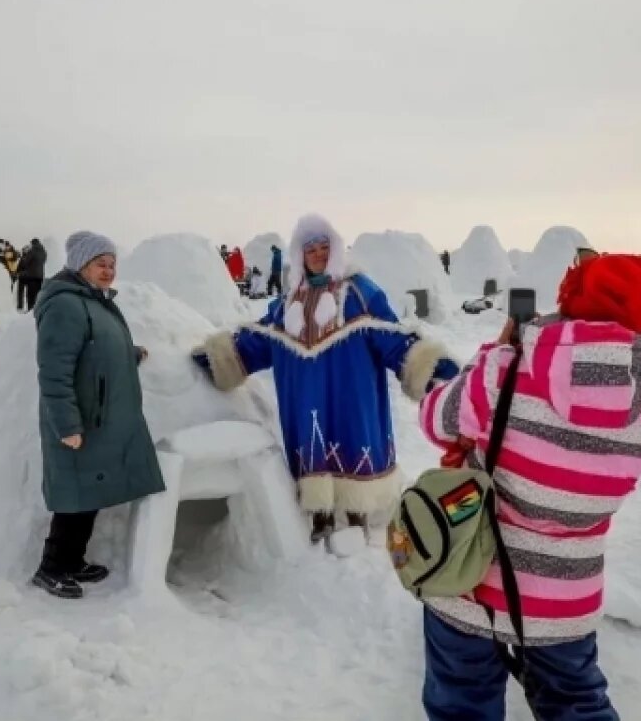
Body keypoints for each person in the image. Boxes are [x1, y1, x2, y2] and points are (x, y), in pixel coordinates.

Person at [418, 254, 641, 721]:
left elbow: (436, 420)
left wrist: (490, 357)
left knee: (463, 703)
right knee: (576, 704)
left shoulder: (510, 365)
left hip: (472, 580)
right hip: (568, 595)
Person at [192, 213, 458, 545]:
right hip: (305, 396)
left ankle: (358, 513)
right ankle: (321, 514)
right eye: (310, 249)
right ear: (299, 255)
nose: (317, 254)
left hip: (352, 390)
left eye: (323, 247)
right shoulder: (288, 302)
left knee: (353, 438)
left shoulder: (359, 292)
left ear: (334, 250)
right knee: (312, 444)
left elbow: (391, 336)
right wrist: (219, 358)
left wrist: (428, 365)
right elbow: (258, 340)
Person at [32, 231, 164, 598]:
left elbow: (96, 345)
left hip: (98, 418)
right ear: (80, 265)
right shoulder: (64, 305)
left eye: (111, 264)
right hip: (79, 420)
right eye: (99, 264)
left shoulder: (93, 300)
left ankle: (73, 562)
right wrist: (67, 424)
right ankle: (51, 568)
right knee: (73, 497)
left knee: (88, 494)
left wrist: (129, 353)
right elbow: (54, 371)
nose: (108, 271)